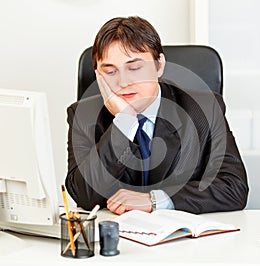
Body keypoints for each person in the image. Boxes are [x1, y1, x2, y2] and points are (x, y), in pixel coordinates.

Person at [65, 16, 248, 215]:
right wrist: (124, 121)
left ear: (159, 65)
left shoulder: (205, 108)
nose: (123, 82)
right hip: (116, 237)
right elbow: (83, 195)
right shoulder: (83, 115)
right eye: (110, 72)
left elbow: (233, 188)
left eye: (134, 68)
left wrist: (156, 200)